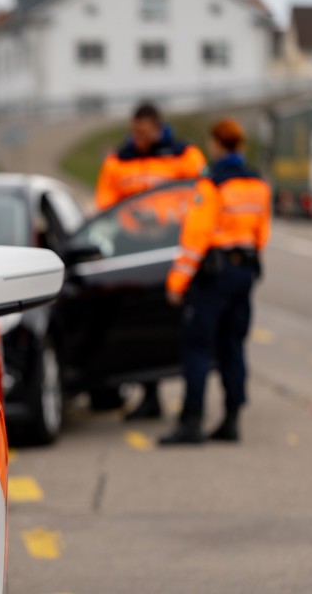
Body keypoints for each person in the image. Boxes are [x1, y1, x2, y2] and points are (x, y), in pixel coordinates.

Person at [160, 118, 272, 446]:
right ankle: (232, 418)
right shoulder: (258, 184)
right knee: (233, 346)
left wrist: (177, 283)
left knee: (197, 348)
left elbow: (195, 237)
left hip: (214, 276)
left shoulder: (212, 185)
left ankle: (191, 422)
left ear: (218, 144)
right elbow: (261, 233)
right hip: (244, 273)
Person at [93, 102, 207, 419]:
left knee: (183, 326)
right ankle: (150, 394)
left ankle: (191, 400)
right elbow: (105, 204)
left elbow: (202, 195)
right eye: (134, 132)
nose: (138, 139)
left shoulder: (184, 155)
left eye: (143, 132)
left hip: (173, 250)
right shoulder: (119, 160)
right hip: (134, 251)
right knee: (143, 325)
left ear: (157, 127)